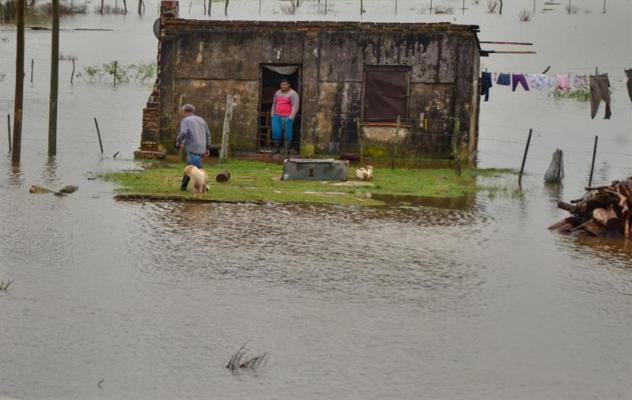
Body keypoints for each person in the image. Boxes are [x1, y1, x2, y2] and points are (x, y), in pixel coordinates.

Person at [176, 104, 211, 191]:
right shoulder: (202, 120)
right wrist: (207, 147)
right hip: (202, 147)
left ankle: (204, 186)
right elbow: (208, 135)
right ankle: (183, 187)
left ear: (184, 111)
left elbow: (183, 132)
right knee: (190, 167)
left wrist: (178, 141)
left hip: (192, 147)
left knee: (197, 167)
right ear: (192, 111)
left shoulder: (186, 120)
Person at [270, 79, 299, 156]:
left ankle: (286, 150)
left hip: (287, 117)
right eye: (282, 84)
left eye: (285, 84)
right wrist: (272, 114)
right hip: (276, 116)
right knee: (276, 132)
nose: (283, 86)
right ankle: (277, 148)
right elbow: (274, 104)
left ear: (289, 85)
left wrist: (291, 117)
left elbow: (295, 106)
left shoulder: (293, 94)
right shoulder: (278, 92)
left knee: (287, 133)